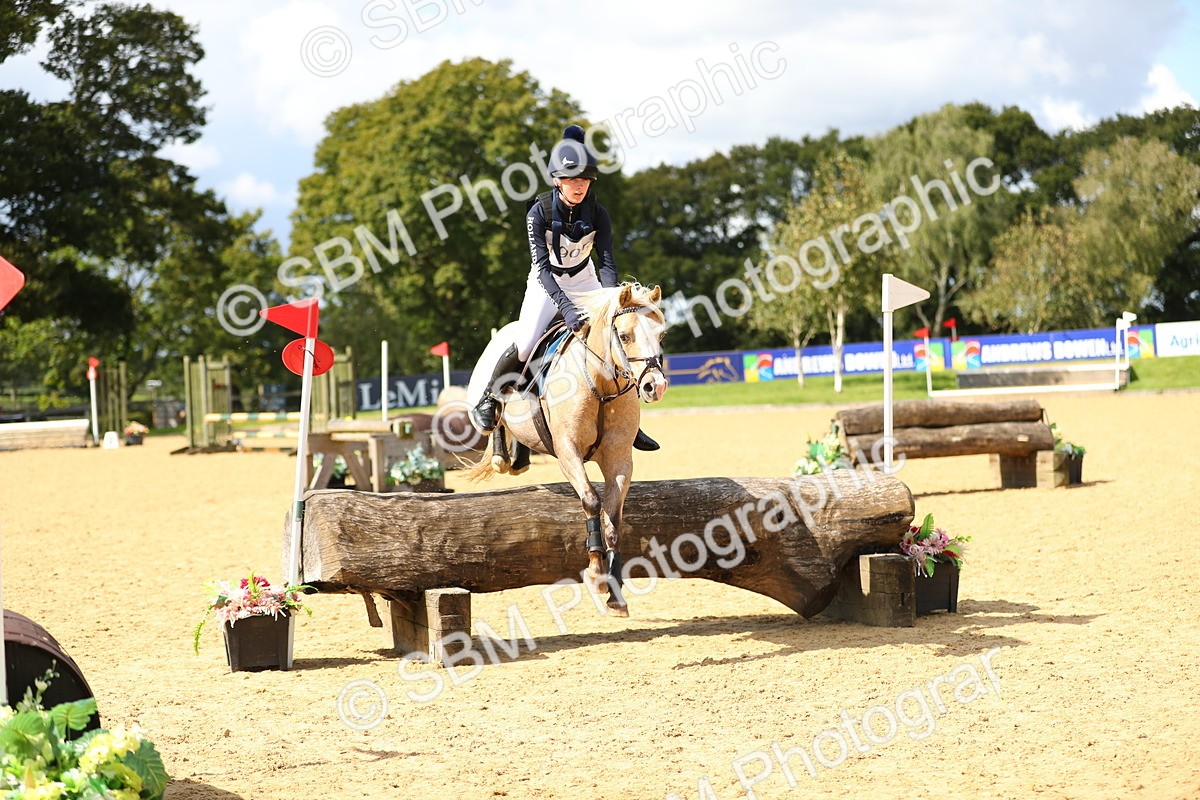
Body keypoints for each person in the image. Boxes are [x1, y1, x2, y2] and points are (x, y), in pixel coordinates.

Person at [468, 124, 660, 452]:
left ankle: (629, 422)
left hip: (585, 280)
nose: (578, 186)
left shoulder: (598, 213)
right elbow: (542, 269)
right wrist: (567, 309)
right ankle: (490, 398)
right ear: (557, 180)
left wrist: (610, 300)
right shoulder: (538, 212)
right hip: (546, 282)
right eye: (572, 180)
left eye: (583, 180)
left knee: (611, 341)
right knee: (527, 341)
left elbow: (608, 263)